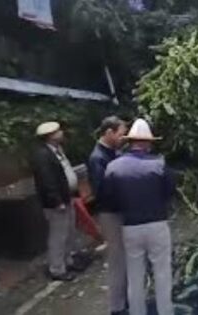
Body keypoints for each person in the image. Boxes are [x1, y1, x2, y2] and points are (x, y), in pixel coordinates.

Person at [103, 119, 175, 315]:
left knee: (135, 275)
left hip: (130, 226)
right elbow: (170, 192)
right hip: (157, 224)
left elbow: (108, 198)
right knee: (162, 273)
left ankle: (137, 312)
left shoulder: (113, 167)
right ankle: (165, 312)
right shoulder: (159, 165)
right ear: (148, 142)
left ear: (131, 141)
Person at [31, 122, 83, 281]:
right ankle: (57, 269)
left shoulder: (57, 151)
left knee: (69, 233)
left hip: (68, 197)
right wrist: (56, 201)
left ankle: (68, 261)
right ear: (50, 135)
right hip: (56, 203)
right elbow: (47, 181)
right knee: (58, 236)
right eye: (57, 131)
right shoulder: (42, 155)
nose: (61, 133)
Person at [87, 116, 128, 315]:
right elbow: (102, 191)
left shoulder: (112, 152)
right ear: (109, 133)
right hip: (110, 214)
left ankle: (124, 299)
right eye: (121, 134)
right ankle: (117, 306)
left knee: (124, 256)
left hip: (118, 211)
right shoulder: (98, 158)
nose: (123, 138)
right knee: (117, 258)